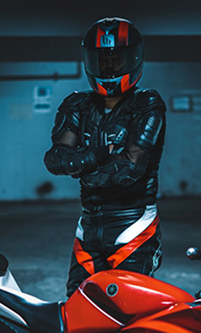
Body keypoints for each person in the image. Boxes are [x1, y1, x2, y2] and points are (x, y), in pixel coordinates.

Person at [44, 17, 166, 297]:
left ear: (134, 58)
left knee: (127, 311)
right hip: (87, 227)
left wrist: (82, 159)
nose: (109, 67)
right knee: (78, 306)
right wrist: (97, 158)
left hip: (133, 226)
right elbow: (55, 158)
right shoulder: (78, 104)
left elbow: (128, 170)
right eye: (102, 60)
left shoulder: (147, 104)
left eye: (117, 60)